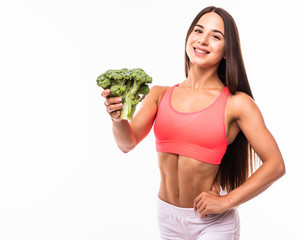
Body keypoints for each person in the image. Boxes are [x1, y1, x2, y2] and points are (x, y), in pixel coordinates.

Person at [101, 6, 285, 240]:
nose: (203, 40)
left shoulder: (236, 104)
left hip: (213, 224)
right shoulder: (159, 95)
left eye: (216, 36)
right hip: (167, 218)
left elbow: (275, 164)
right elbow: (127, 144)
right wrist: (117, 120)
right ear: (189, 37)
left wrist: (226, 201)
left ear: (228, 51)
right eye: (198, 31)